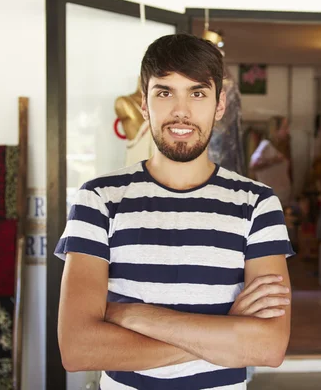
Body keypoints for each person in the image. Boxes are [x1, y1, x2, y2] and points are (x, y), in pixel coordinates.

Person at [54, 33, 294, 390]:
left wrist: (131, 315)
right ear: (144, 104)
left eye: (197, 93)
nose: (181, 111)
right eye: (165, 92)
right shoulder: (99, 199)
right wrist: (225, 330)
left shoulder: (257, 204)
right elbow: (77, 348)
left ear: (219, 104)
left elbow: (269, 346)